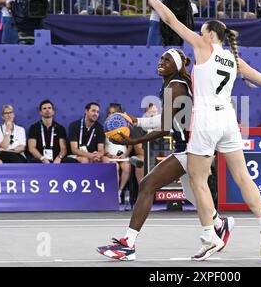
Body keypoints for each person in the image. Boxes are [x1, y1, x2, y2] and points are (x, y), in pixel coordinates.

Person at [133, 0, 261, 261]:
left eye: (202, 31)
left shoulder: (204, 48)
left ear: (211, 34)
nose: (199, 34)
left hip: (205, 120)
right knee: (242, 176)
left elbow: (168, 18)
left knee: (198, 178)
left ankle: (209, 235)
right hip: (228, 117)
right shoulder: (233, 58)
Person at [96, 48, 234, 261]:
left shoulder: (176, 87)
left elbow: (165, 126)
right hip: (189, 146)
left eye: (167, 59)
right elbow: (168, 118)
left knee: (147, 185)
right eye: (161, 58)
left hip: (191, 147)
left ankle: (128, 245)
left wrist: (134, 140)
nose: (161, 61)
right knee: (192, 194)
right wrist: (137, 121)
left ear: (177, 66)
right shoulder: (174, 85)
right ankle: (218, 224)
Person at [104, 103, 133, 207]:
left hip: (123, 156)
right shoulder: (104, 128)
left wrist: (125, 154)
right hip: (109, 156)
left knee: (126, 167)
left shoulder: (125, 128)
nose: (111, 115)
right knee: (114, 167)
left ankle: (119, 191)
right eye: (110, 113)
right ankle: (113, 193)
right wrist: (110, 156)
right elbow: (101, 147)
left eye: (114, 113)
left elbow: (130, 144)